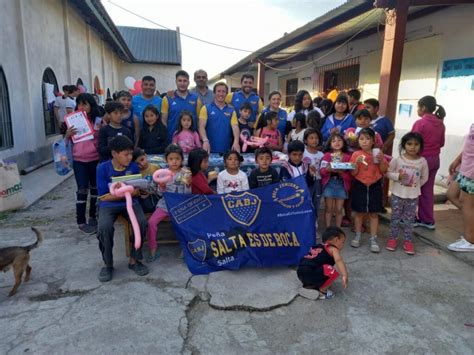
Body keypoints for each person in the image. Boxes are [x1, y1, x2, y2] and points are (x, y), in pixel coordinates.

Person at [96, 136, 149, 282]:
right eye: (126, 154)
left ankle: (135, 260)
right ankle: (108, 264)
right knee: (104, 227)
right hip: (109, 205)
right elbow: (103, 197)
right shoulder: (102, 168)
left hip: (131, 202)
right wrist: (123, 193)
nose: (129, 157)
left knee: (141, 222)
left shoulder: (132, 167)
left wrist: (137, 192)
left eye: (131, 154)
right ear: (114, 154)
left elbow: (137, 190)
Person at [64, 93, 101, 234]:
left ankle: (93, 216)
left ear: (91, 105)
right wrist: (67, 134)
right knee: (81, 189)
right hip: (79, 161)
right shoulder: (72, 121)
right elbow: (66, 143)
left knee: (95, 189)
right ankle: (80, 221)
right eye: (79, 104)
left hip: (95, 159)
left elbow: (101, 137)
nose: (82, 107)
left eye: (85, 104)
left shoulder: (98, 121)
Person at [386, 132, 428, 255]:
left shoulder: (422, 162)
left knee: (409, 220)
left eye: (416, 144)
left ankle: (408, 241)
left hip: (413, 196)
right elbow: (388, 173)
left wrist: (414, 186)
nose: (412, 147)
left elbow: (424, 178)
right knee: (395, 218)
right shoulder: (398, 160)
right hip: (397, 194)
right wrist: (397, 176)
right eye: (409, 144)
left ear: (420, 146)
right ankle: (392, 239)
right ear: (404, 145)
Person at [147, 144, 191, 261]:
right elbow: (160, 194)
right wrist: (162, 187)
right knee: (151, 223)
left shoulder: (185, 173)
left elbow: (187, 193)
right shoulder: (162, 173)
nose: (174, 162)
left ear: (182, 159)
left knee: (186, 225)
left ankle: (185, 249)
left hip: (180, 205)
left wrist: (188, 184)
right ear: (166, 159)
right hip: (165, 205)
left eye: (177, 158)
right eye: (171, 159)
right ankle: (153, 249)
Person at [350, 128, 388, 253]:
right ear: (358, 141)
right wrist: (356, 163)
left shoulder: (378, 153)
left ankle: (373, 239)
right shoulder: (356, 154)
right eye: (361, 139)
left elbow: (383, 171)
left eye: (367, 139)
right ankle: (358, 235)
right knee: (359, 212)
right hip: (360, 185)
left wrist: (381, 159)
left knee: (373, 213)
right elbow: (354, 173)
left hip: (375, 185)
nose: (364, 141)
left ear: (373, 141)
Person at [411, 95, 446, 230]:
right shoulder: (440, 123)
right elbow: (441, 143)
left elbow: (412, 143)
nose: (417, 110)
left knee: (413, 188)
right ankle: (427, 220)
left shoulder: (420, 123)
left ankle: (411, 217)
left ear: (423, 107)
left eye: (418, 107)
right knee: (427, 190)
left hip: (420, 160)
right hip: (435, 159)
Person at [297, 227, 348, 300]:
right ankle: (322, 291)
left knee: (321, 269)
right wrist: (344, 274)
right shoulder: (333, 249)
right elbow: (339, 260)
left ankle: (308, 287)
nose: (343, 245)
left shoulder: (318, 246)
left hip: (300, 271)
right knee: (332, 271)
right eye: (342, 242)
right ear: (336, 240)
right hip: (310, 271)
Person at [447, 123, 474, 252]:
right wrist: (458, 160)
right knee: (452, 194)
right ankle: (471, 230)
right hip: (465, 168)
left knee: (467, 205)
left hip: (472, 173)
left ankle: (470, 241)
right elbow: (469, 144)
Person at [320, 133, 352, 228]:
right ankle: (328, 228)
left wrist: (341, 172)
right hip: (329, 183)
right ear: (330, 144)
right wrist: (328, 169)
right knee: (329, 208)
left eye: (339, 140)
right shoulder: (327, 156)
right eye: (333, 141)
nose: (337, 142)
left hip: (341, 184)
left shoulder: (347, 157)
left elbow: (351, 175)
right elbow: (322, 171)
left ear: (344, 143)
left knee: (339, 209)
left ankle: (338, 229)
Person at [199, 82, 240, 154]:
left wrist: (236, 141)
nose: (221, 94)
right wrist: (205, 140)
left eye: (223, 91)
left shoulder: (231, 110)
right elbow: (201, 126)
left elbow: (235, 127)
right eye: (218, 91)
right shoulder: (205, 108)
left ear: (226, 93)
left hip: (227, 151)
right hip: (209, 150)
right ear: (214, 93)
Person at [162, 70, 202, 142]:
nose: (182, 83)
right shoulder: (167, 98)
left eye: (185, 81)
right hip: (172, 141)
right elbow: (163, 121)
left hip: (191, 143)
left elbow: (199, 122)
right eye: (180, 81)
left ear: (188, 82)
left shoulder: (196, 99)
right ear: (176, 82)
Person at [303, 128, 324, 221]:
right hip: (306, 181)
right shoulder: (303, 153)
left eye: (316, 138)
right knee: (307, 201)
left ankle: (314, 221)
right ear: (305, 140)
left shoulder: (321, 154)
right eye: (311, 138)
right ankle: (306, 221)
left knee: (316, 201)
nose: (314, 140)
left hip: (318, 181)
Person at [133, 148, 161, 214]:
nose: (142, 164)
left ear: (145, 155)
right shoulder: (136, 172)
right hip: (142, 197)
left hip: (155, 195)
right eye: (137, 163)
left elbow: (161, 184)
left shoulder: (155, 167)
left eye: (142, 159)